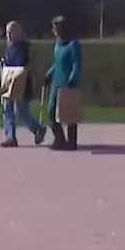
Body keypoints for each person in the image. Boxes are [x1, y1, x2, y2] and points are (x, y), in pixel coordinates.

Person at [0, 21, 47, 147]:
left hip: (21, 82)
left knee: (22, 111)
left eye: (11, 32)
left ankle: (38, 128)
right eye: (7, 32)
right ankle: (10, 137)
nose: (8, 35)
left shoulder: (24, 47)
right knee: (7, 109)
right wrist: (3, 64)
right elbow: (8, 62)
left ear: (18, 32)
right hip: (9, 81)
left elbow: (23, 65)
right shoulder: (9, 47)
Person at [44, 16, 83, 151]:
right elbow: (56, 63)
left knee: (70, 114)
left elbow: (76, 64)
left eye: (56, 28)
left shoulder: (73, 44)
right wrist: (48, 75)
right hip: (57, 82)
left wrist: (73, 77)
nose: (54, 31)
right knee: (51, 110)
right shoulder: (57, 44)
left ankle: (72, 142)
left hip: (68, 83)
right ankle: (59, 138)